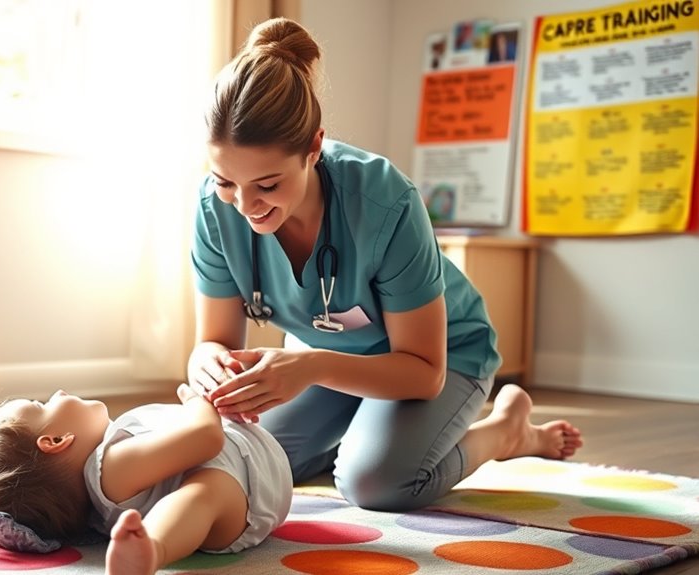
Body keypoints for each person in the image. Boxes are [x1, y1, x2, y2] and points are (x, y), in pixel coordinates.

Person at [189, 17, 583, 513]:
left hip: (437, 356)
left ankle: (505, 434)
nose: (244, 205)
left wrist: (309, 365)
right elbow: (215, 341)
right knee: (246, 463)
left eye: (267, 185)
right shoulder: (212, 208)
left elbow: (423, 373)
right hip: (328, 361)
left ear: (313, 147)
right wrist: (206, 364)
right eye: (225, 181)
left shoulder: (383, 200)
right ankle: (370, 431)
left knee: (374, 483)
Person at [0, 386, 292, 575]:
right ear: (57, 440)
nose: (57, 392)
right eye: (43, 405)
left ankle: (150, 547)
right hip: (242, 487)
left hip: (251, 480)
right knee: (201, 492)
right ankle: (155, 548)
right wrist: (198, 401)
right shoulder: (109, 468)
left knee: (203, 488)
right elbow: (205, 437)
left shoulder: (104, 489)